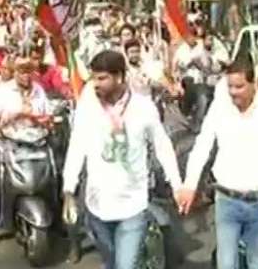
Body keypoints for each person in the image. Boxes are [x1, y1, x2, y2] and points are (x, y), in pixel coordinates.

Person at [62, 50, 182, 269]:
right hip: (97, 205)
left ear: (119, 77)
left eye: (102, 78)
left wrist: (177, 184)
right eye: (93, 78)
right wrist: (69, 187)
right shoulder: (87, 108)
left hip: (132, 205)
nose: (95, 84)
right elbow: (77, 146)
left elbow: (162, 145)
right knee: (111, 262)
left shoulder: (143, 107)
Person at [177, 58, 258, 269]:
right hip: (227, 201)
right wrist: (189, 185)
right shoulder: (220, 109)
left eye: (239, 87)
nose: (233, 92)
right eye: (230, 86)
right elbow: (202, 147)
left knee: (257, 264)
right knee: (226, 264)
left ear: (253, 84)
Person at [0, 54, 53, 246]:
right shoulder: (2, 91)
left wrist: (45, 120)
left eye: (29, 72)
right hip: (8, 143)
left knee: (56, 175)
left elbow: (48, 114)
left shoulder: (39, 90)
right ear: (14, 73)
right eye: (22, 72)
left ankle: (60, 223)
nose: (26, 77)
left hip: (37, 143)